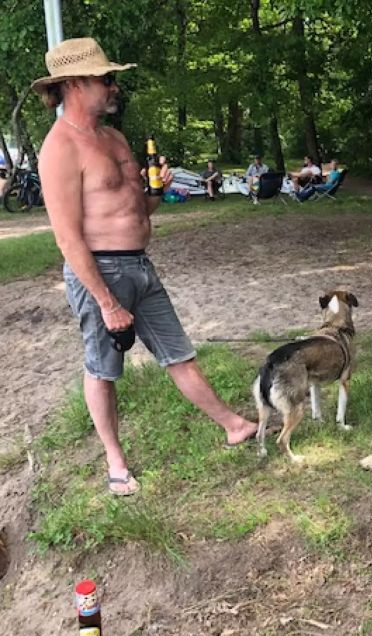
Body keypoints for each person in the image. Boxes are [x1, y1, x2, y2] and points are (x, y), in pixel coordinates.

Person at [33, 37, 257, 496]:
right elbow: (68, 238)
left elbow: (135, 212)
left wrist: (157, 194)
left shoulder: (113, 138)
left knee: (178, 351)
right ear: (75, 83)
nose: (114, 87)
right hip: (100, 274)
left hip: (140, 265)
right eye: (106, 79)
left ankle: (235, 425)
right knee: (102, 369)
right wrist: (106, 302)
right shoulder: (60, 148)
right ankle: (116, 463)